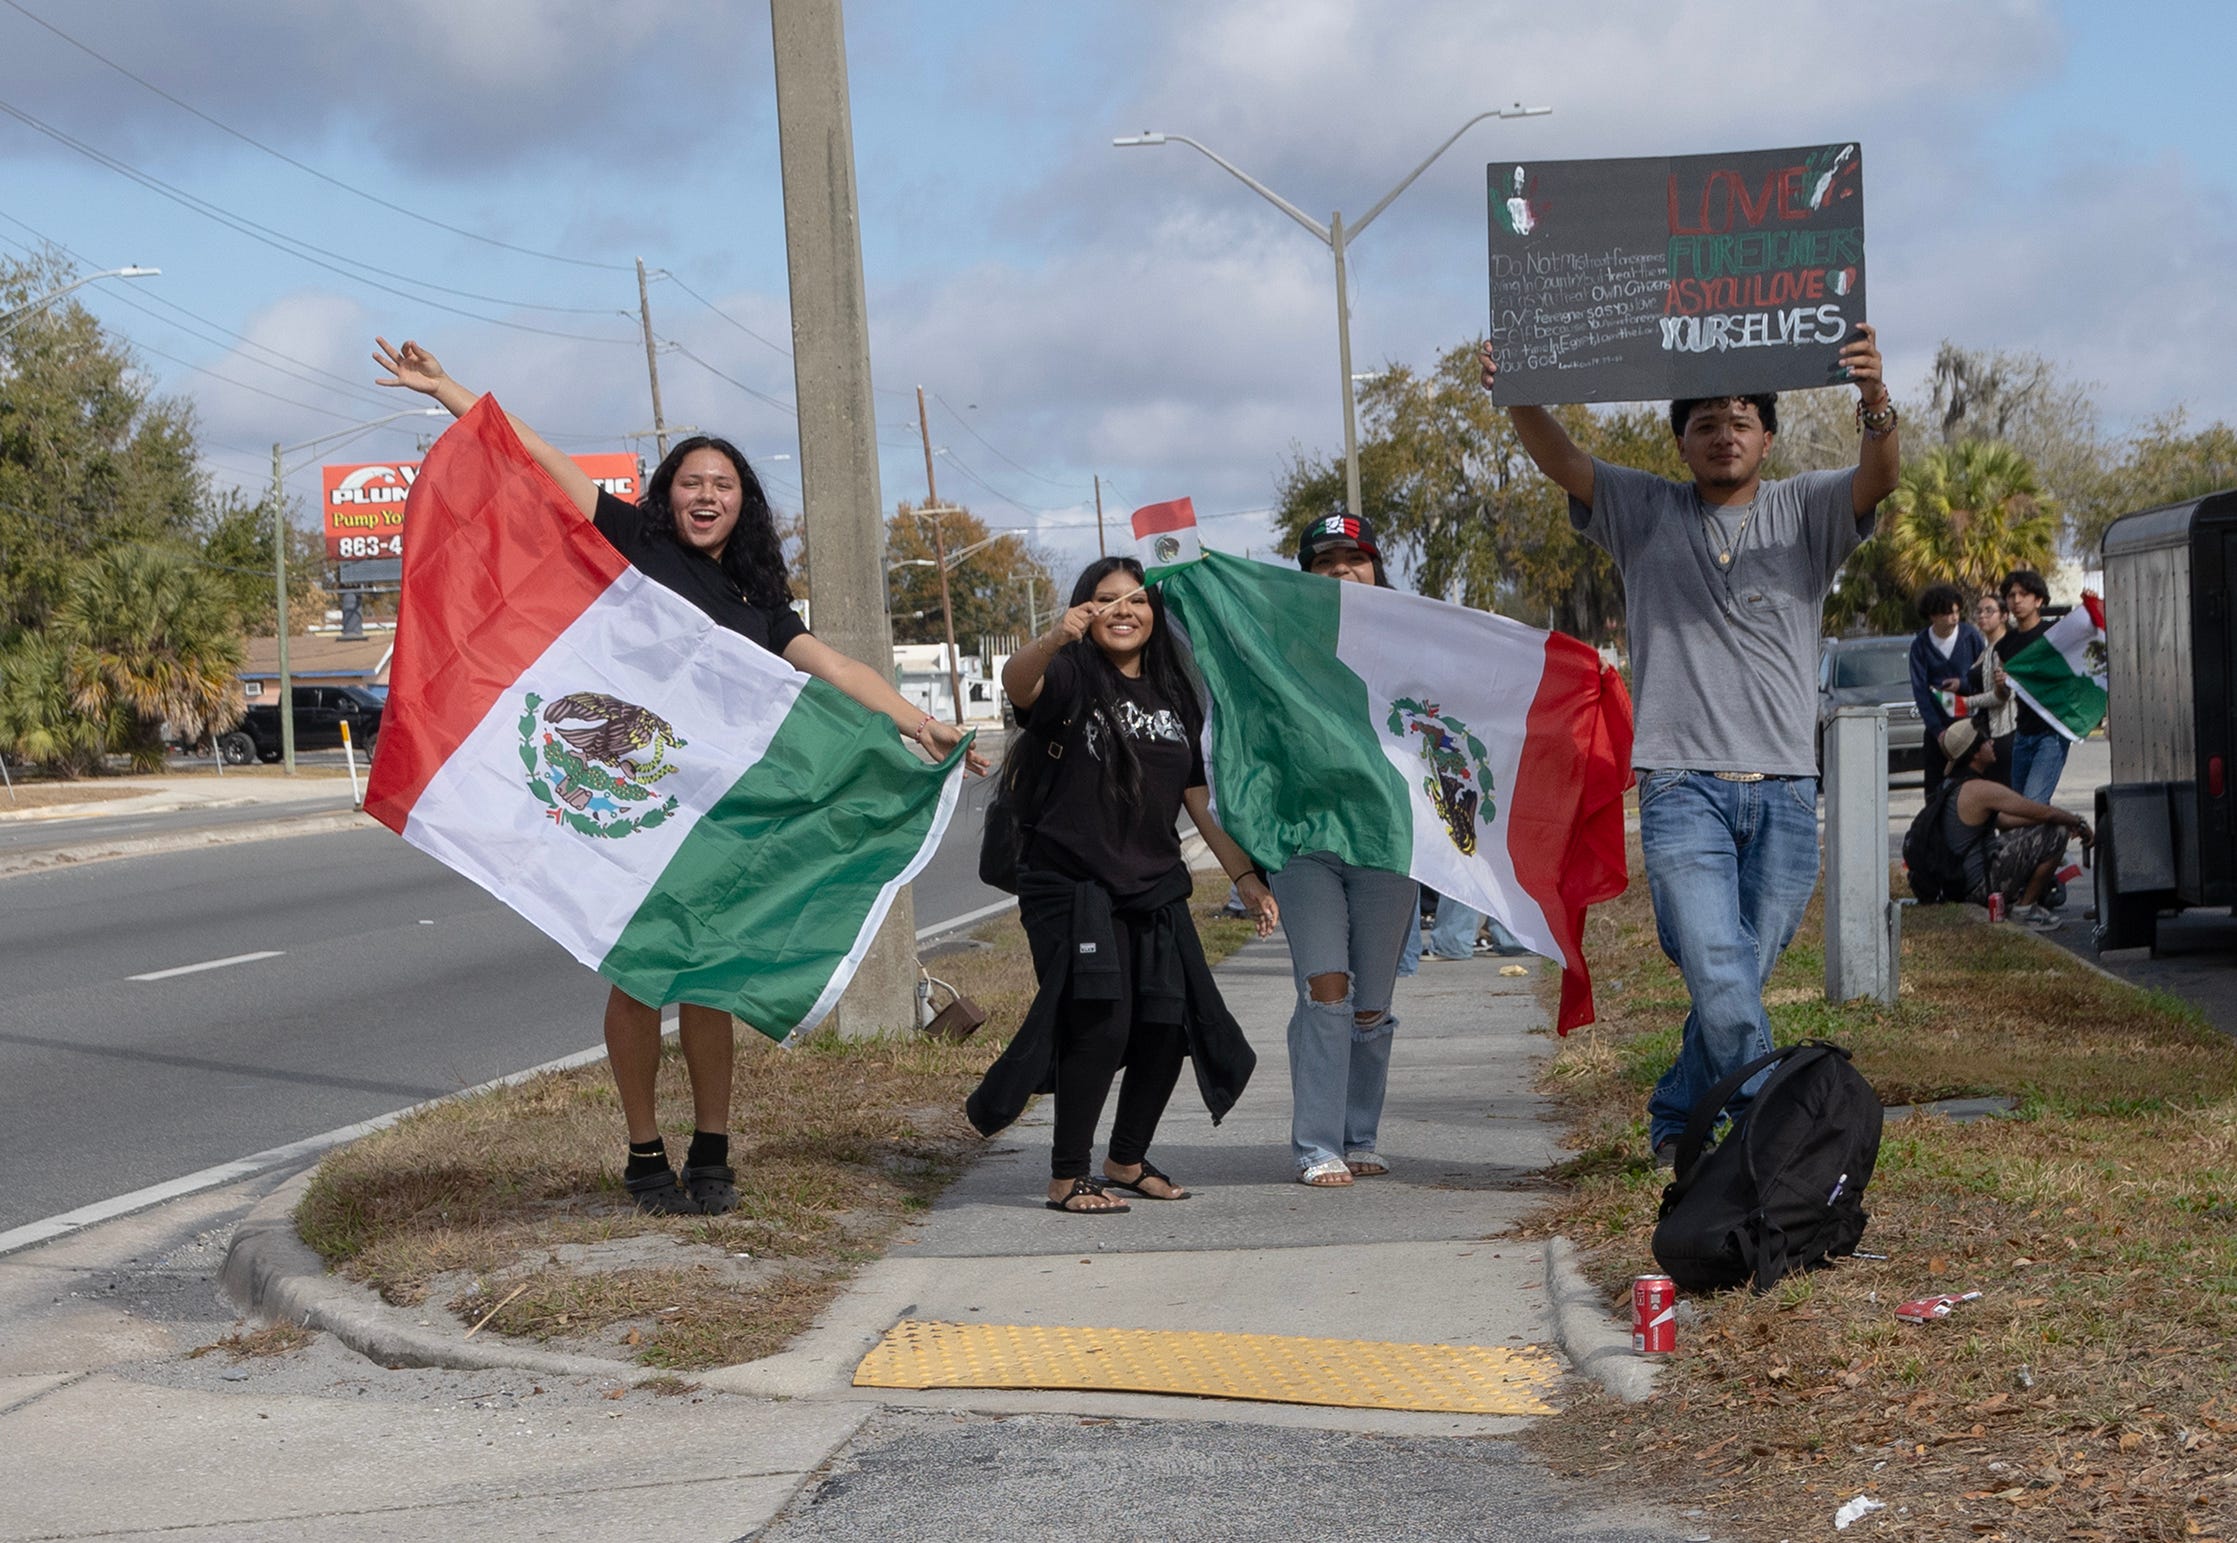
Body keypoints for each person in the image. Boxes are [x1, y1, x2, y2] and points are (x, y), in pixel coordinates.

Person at [375, 337, 985, 1217]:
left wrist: (920, 720)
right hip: (634, 810)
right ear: (668, 493)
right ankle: (642, 1149)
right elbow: (538, 456)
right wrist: (447, 392)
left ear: (743, 506)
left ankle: (712, 1149)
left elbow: (840, 673)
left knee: (708, 988)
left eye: (723, 486)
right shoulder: (629, 540)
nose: (706, 495)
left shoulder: (757, 607)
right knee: (636, 980)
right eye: (693, 482)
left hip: (713, 819)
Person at [1479, 323, 1899, 1164]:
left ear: (1767, 436)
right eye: (1705, 421)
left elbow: (1876, 477)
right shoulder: (1642, 511)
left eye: (1740, 418)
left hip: (1784, 783)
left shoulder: (1807, 507)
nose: (1723, 433)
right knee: (1715, 961)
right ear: (1680, 440)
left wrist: (1874, 399)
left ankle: (1677, 1113)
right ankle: (1765, 1135)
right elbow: (1559, 458)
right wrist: (1517, 390)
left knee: (1733, 975)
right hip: (1682, 786)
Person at [965, 557, 1276, 1213]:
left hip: (1153, 884)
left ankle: (1125, 1159)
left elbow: (1197, 799)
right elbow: (1016, 683)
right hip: (1072, 884)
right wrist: (1055, 637)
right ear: (1087, 609)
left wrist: (1244, 876)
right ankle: (1066, 1174)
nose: (1123, 609)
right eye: (1106, 599)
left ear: (1154, 614)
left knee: (1169, 1022)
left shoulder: (1173, 691)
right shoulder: (1072, 674)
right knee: (1098, 1022)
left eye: (1136, 599)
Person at [1269, 512, 1422, 1186]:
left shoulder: (1413, 641)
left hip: (1388, 842)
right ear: (1305, 576)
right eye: (1324, 563)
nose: (1340, 572)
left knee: (1369, 1004)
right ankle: (1315, 1144)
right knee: (1324, 986)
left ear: (1374, 567)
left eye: (1353, 560)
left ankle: (1359, 1135)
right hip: (1306, 843)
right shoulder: (1277, 645)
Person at [1931, 717, 2091, 928]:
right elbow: (2044, 813)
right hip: (1978, 889)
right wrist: (2078, 823)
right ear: (1975, 753)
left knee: (2038, 829)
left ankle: (2022, 901)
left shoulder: (1952, 786)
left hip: (1956, 883)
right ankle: (2025, 908)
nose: (1993, 743)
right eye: (1987, 741)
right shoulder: (1981, 790)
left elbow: (2005, 821)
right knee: (2056, 832)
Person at [1996, 569, 2067, 804]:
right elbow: (2004, 695)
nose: (2016, 600)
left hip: (2052, 733)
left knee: (2033, 803)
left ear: (2038, 600)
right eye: (2011, 595)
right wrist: (2001, 684)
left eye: (2023, 594)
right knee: (2020, 808)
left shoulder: (2054, 634)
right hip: (2023, 735)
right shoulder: (2006, 644)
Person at [1908, 584, 1985, 800]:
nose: (1954, 618)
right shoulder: (1921, 645)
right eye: (1948, 613)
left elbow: (1983, 678)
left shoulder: (1971, 637)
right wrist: (1937, 730)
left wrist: (1962, 685)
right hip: (1938, 731)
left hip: (1971, 726)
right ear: (1934, 616)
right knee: (1935, 791)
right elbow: (1920, 691)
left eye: (1957, 612)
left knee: (1971, 788)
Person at [1965, 592, 2018, 785]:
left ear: (2004, 616)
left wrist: (1964, 703)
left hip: (2004, 731)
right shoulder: (1987, 649)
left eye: (1989, 611)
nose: (1982, 616)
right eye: (1978, 611)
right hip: (1986, 730)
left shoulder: (2003, 649)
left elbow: (2003, 696)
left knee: (2004, 791)